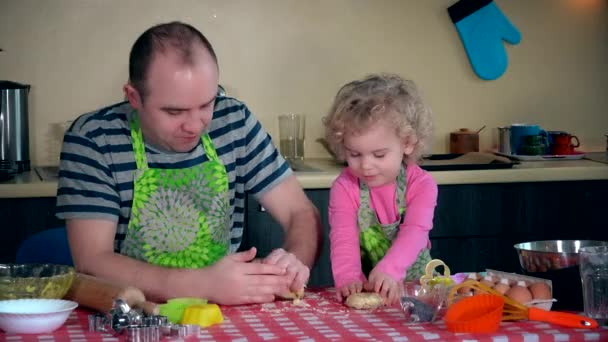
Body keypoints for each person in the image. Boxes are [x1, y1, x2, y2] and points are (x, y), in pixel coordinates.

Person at [56, 21, 321, 305]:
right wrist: (202, 285)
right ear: (133, 96)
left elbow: (300, 212)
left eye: (207, 104)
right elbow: (92, 260)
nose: (195, 126)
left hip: (221, 312)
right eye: (175, 111)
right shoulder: (93, 139)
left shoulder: (234, 121)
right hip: (136, 314)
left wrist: (294, 261)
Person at [323, 74, 438, 306]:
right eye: (354, 154)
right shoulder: (345, 187)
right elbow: (342, 236)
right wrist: (348, 277)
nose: (365, 165)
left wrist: (390, 269)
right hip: (370, 287)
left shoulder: (421, 185)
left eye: (379, 155)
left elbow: (416, 230)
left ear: (408, 143)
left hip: (416, 289)